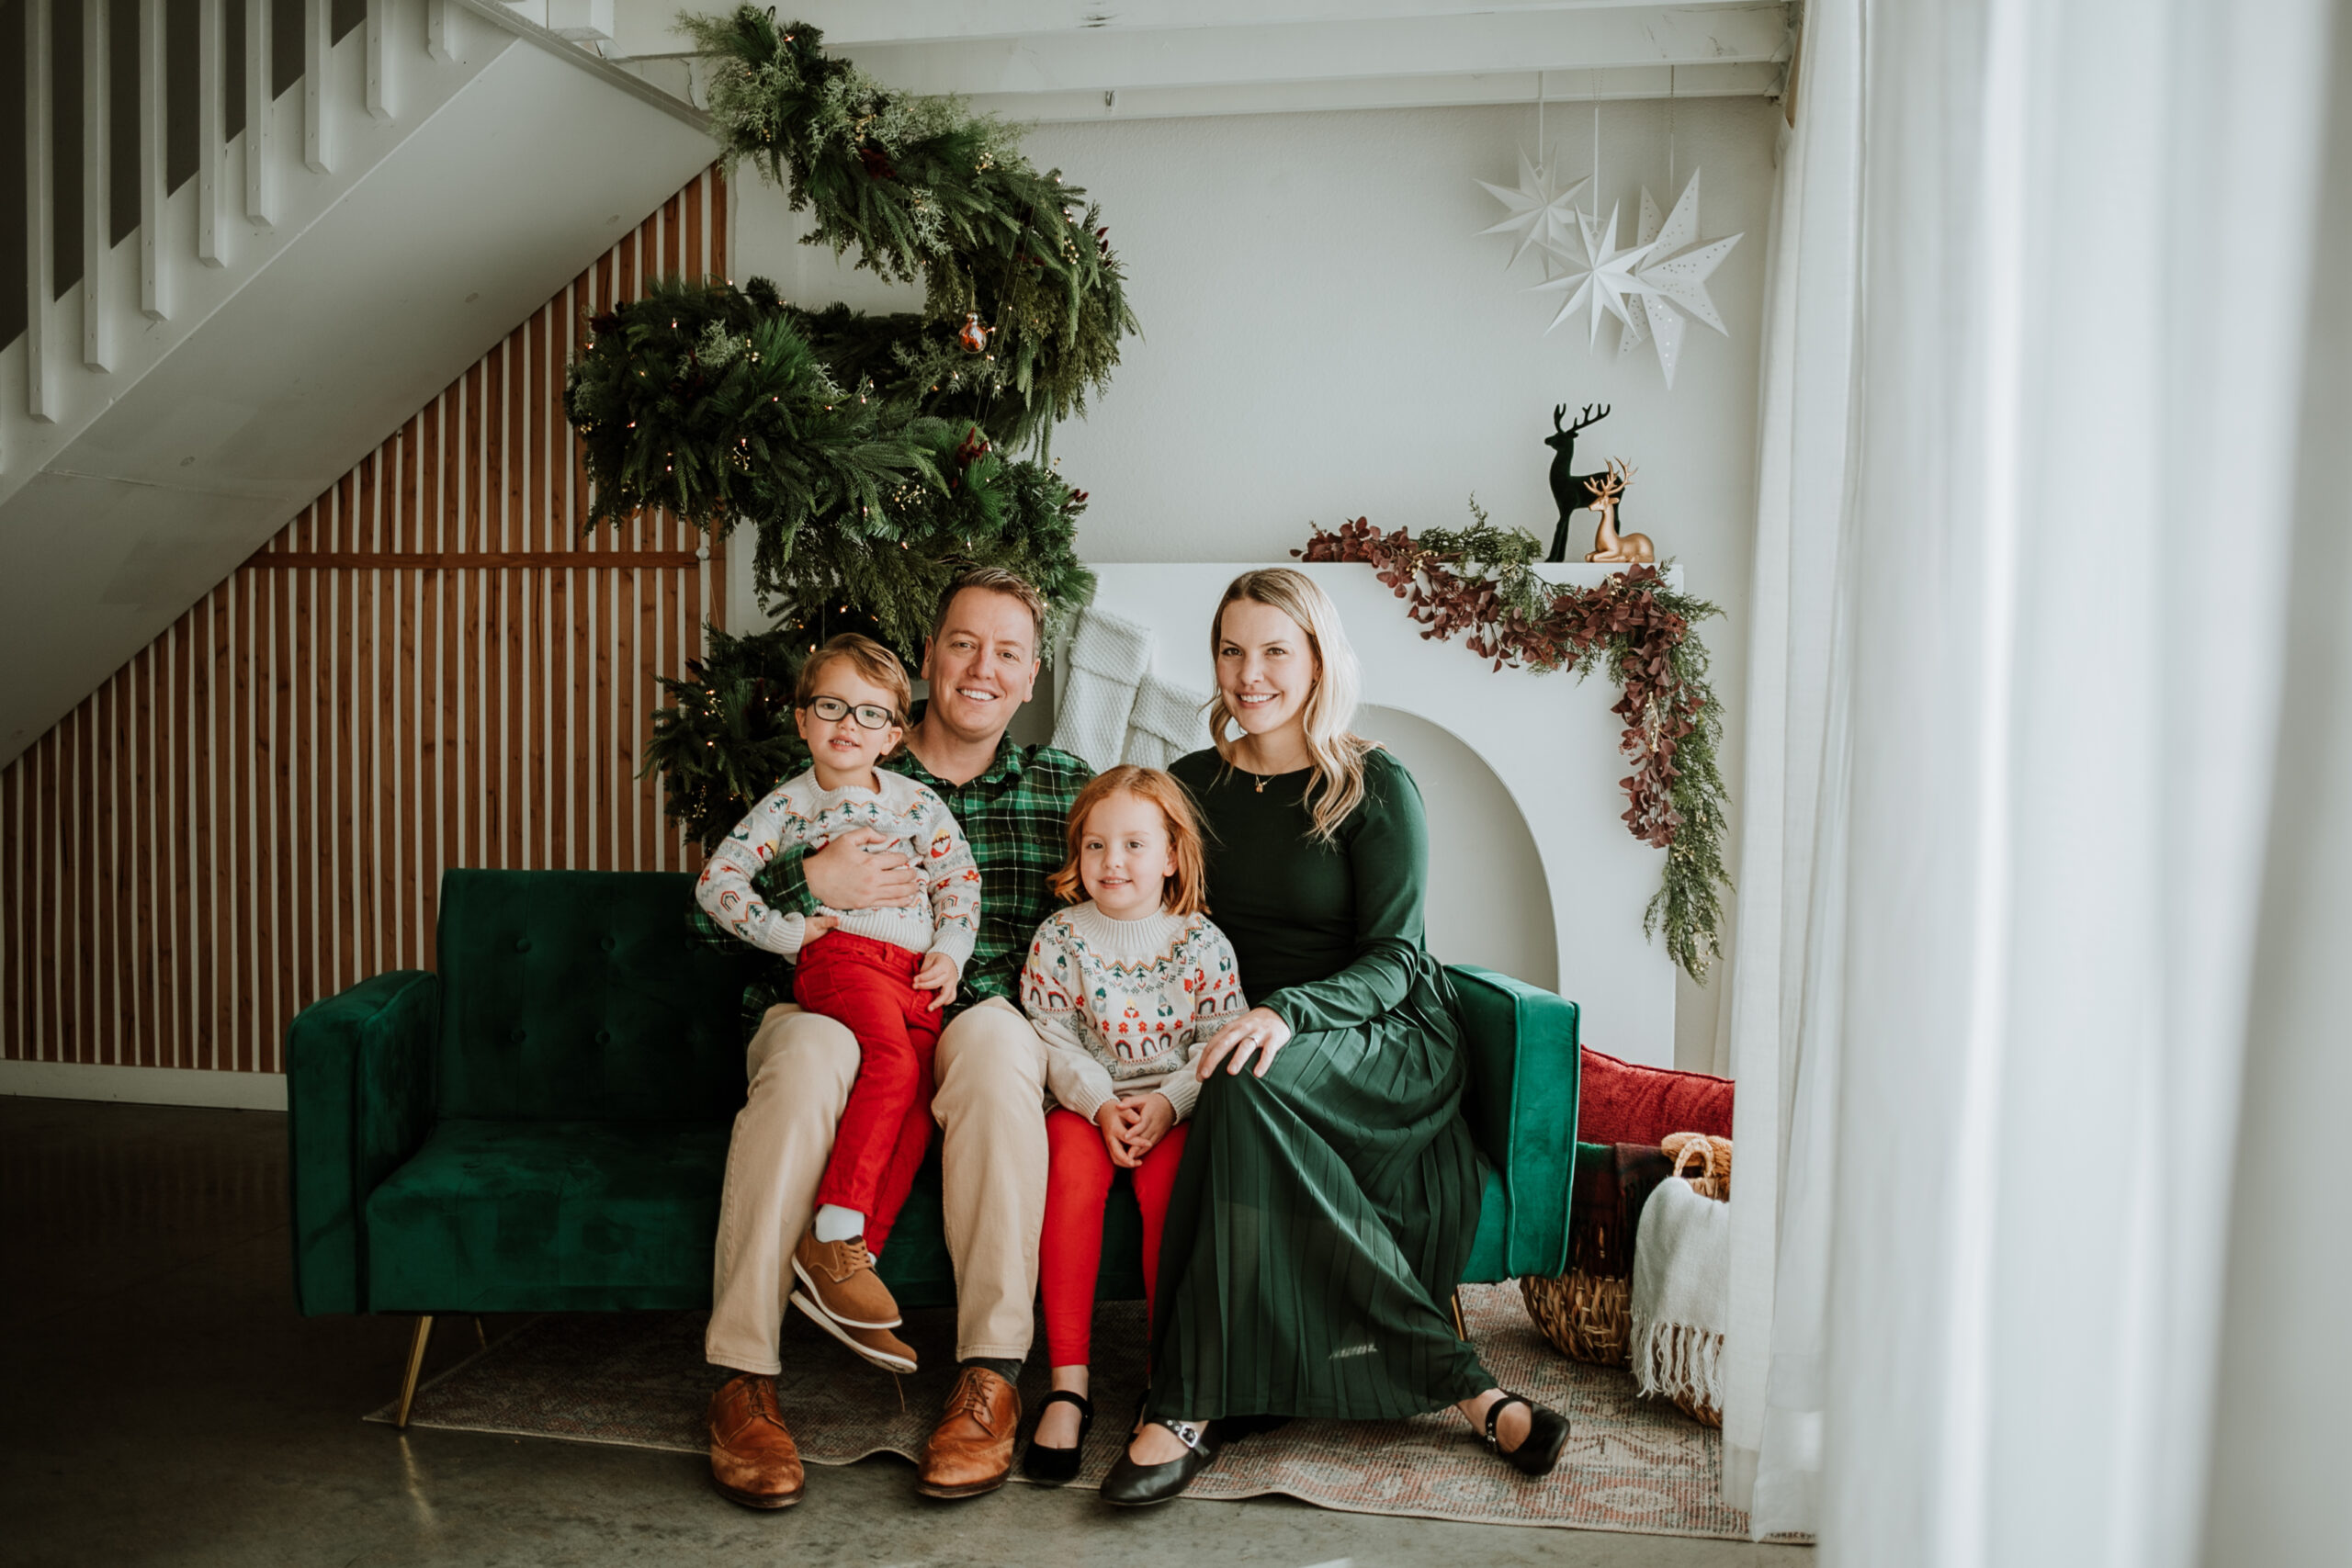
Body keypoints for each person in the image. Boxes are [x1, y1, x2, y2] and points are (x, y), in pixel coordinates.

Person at [1100, 568, 1572, 1507]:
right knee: (1240, 1074)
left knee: (1245, 1075)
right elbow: (1151, 921)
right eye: (1231, 650)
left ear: (1317, 659)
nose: (1249, 673)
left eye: (1275, 649)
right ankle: (1466, 1386)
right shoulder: (1188, 786)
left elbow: (1396, 958)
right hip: (1247, 1034)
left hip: (1378, 1033)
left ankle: (1184, 1405)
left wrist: (1288, 1013)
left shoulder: (1372, 781)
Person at [698, 568, 1091, 1511]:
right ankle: (741, 1380)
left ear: (1032, 677)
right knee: (805, 1068)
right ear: (927, 661)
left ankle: (990, 1377)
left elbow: (1141, 896)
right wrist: (811, 884)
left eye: (1007, 652)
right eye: (963, 643)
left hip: (974, 1006)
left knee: (999, 1059)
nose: (981, 669)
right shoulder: (848, 759)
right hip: (829, 997)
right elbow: (708, 913)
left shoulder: (1062, 788)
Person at [695, 634, 980, 1372]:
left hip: (913, 972)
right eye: (830, 706)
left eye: (870, 713)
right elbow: (716, 882)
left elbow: (960, 885)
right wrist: (785, 931)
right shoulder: (790, 805)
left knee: (920, 1097)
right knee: (887, 1064)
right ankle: (834, 1231)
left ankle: (848, 1262)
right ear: (801, 719)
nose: (847, 724)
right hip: (842, 960)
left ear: (895, 734)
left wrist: (951, 952)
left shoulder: (920, 804)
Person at [1015, 766, 1245, 1484]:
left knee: (1169, 1193)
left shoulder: (1202, 942)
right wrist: (1097, 1102)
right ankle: (1068, 1381)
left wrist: (1172, 1102)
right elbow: (1048, 1031)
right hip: (1088, 1104)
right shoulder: (1060, 937)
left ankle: (1162, 1378)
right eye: (1095, 845)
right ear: (1076, 854)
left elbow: (1223, 1034)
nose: (1112, 862)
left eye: (1134, 845)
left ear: (1172, 855)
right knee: (1068, 1177)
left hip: (1174, 1107)